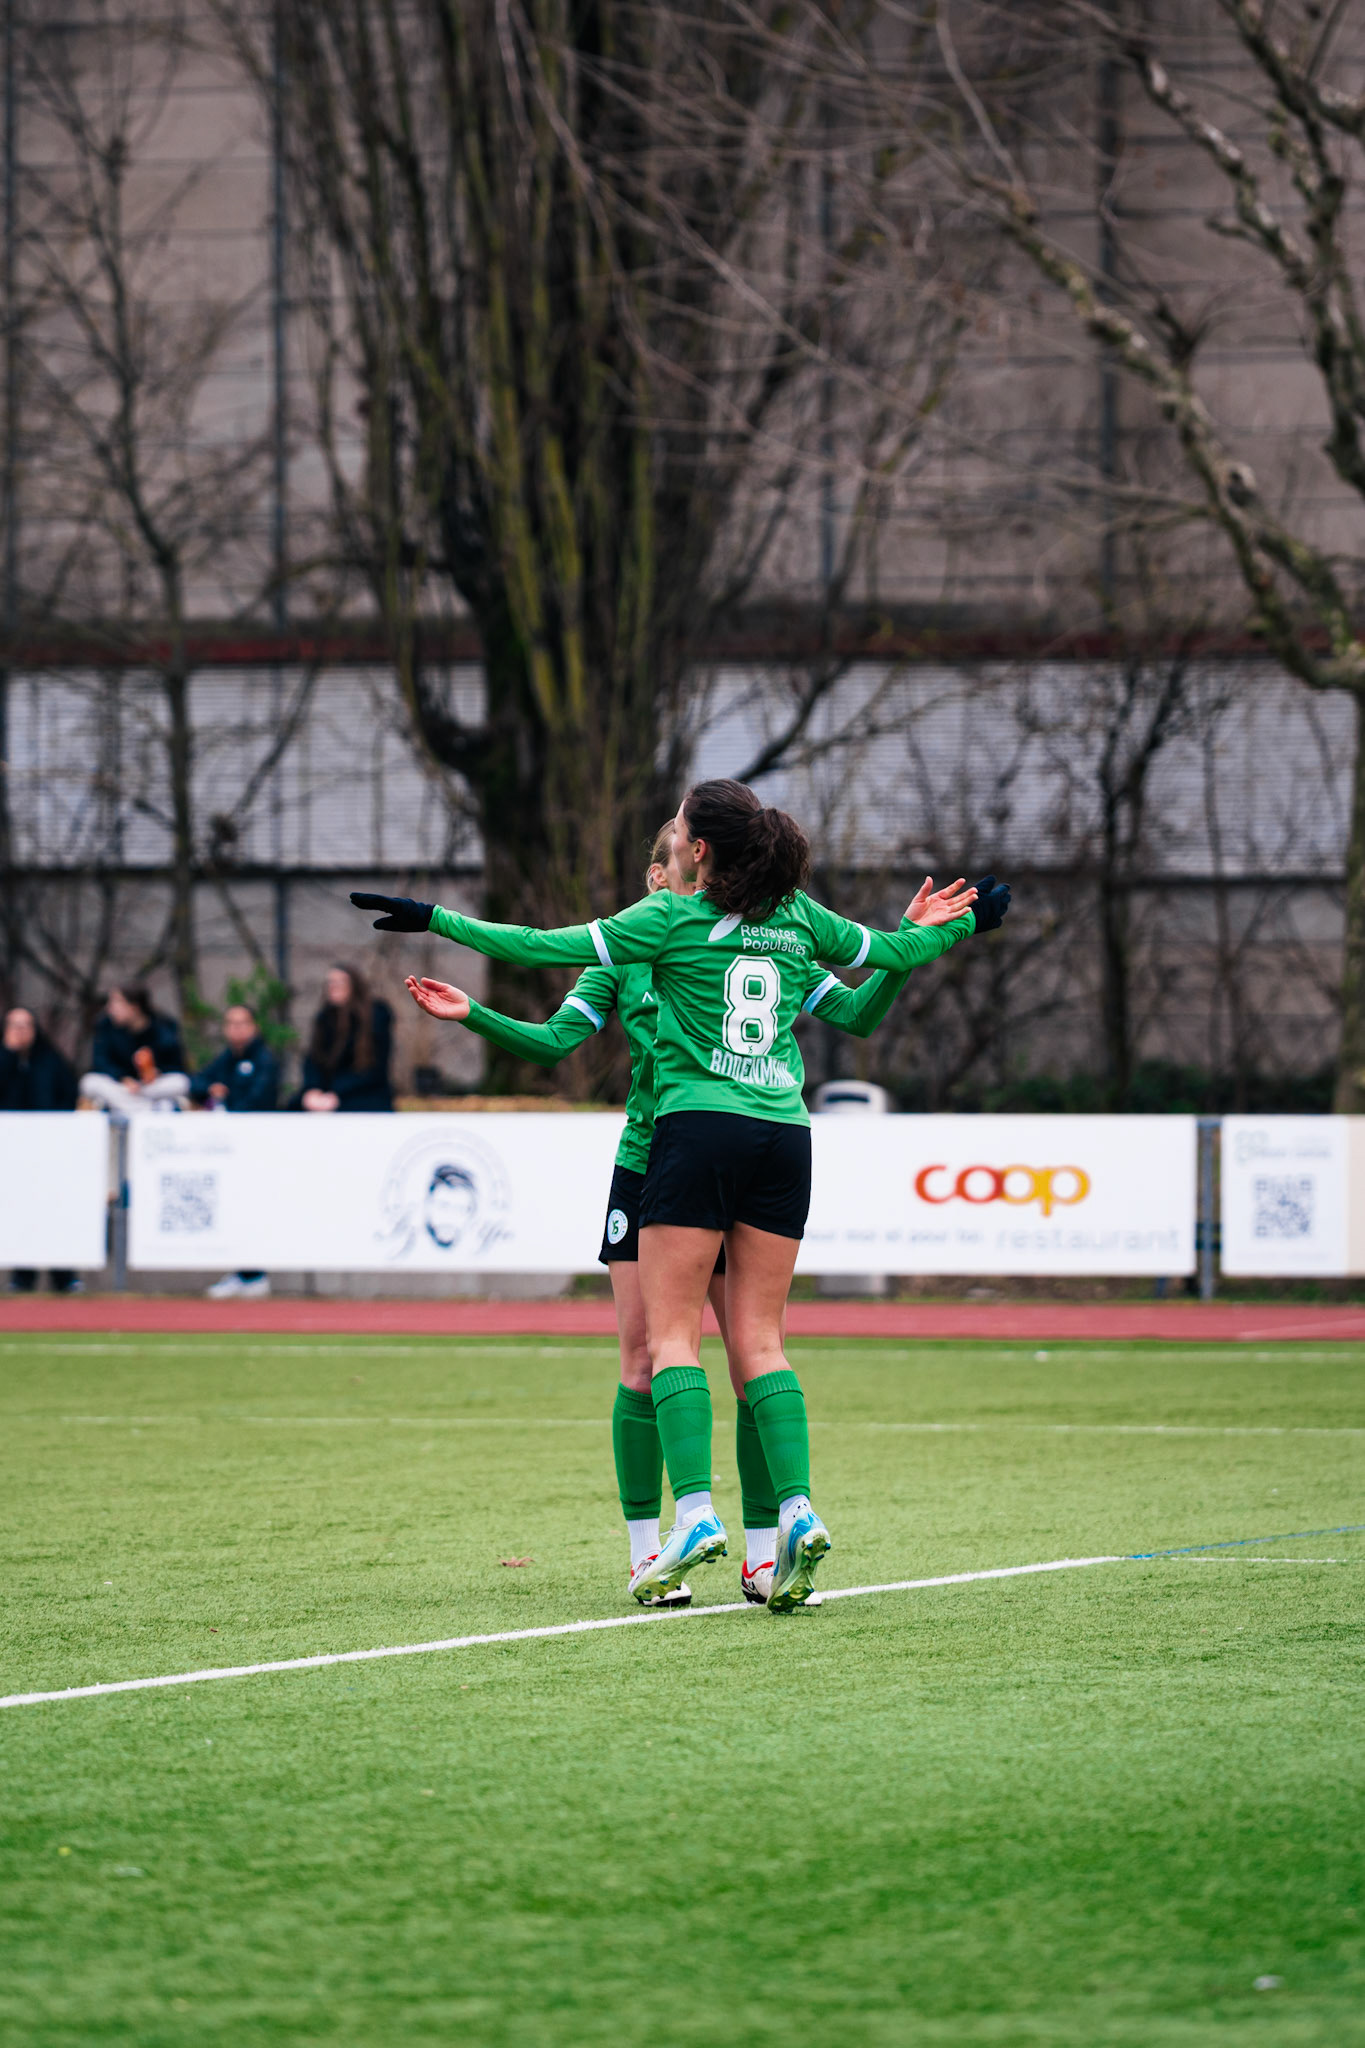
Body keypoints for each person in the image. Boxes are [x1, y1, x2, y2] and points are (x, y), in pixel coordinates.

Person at [354, 779, 1009, 1611]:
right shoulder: (658, 944)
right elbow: (556, 1036)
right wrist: (476, 1015)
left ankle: (728, 1536)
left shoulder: (682, 925)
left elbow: (853, 1013)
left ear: (697, 857)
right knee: (679, 1353)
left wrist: (437, 920)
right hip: (695, 1150)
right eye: (659, 853)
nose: (667, 860)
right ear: (658, 868)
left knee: (697, 1348)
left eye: (678, 842)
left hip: (691, 1144)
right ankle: (664, 1547)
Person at [190, 1002, 281, 1302]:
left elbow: (260, 1097)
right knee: (236, 1205)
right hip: (232, 1148)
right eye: (230, 1023)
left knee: (254, 1205)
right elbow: (197, 1082)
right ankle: (245, 1271)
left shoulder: (264, 1059)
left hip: (260, 1145)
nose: (236, 1029)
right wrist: (212, 1091)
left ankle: (254, 1272)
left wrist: (232, 1105)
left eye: (242, 1023)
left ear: (253, 1027)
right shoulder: (227, 1059)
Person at [1, 1005, 80, 1295]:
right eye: (14, 1025)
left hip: (49, 1152)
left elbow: (67, 1095)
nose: (20, 1031)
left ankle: (65, 1275)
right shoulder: (4, 1059)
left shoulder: (50, 1060)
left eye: (26, 1025)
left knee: (55, 1211)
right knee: (19, 1212)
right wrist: (9, 1054)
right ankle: (22, 1275)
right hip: (11, 1154)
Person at [293, 965, 393, 1114]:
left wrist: (336, 1093)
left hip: (364, 1092)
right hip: (327, 1092)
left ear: (354, 985)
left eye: (340, 982)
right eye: (330, 982)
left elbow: (375, 1070)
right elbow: (313, 1060)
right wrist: (313, 1089)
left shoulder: (375, 1016)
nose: (334, 987)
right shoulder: (325, 1018)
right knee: (294, 1105)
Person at [79, 985, 189, 1118]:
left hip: (149, 1088)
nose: (110, 1008)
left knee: (180, 1082)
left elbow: (176, 1065)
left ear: (134, 1007)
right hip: (121, 1087)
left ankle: (127, 1109)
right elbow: (100, 1062)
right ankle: (147, 1111)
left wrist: (157, 1073)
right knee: (89, 1082)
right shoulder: (106, 1026)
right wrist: (123, 1078)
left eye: (116, 1002)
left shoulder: (163, 1027)